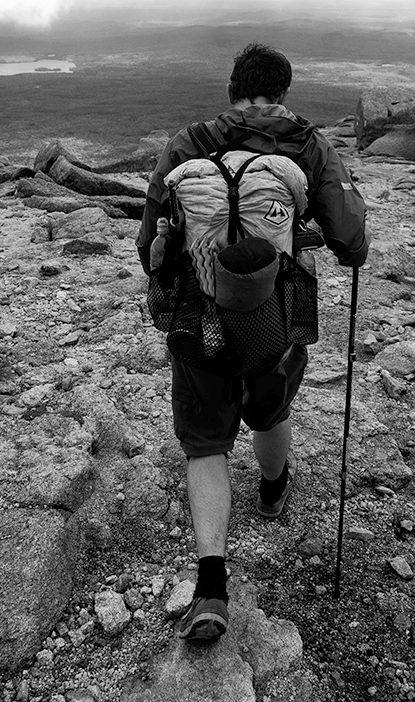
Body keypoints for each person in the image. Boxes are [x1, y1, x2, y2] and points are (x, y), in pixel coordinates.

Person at [136, 43, 370, 641]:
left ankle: (211, 585)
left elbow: (148, 247)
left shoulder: (188, 143)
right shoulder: (307, 144)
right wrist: (349, 247)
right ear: (282, 92)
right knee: (270, 408)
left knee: (205, 441)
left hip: (198, 317)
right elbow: (348, 234)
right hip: (278, 314)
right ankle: (271, 492)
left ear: (232, 88)